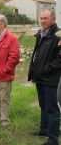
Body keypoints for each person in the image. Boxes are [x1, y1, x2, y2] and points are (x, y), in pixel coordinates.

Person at [28, 9, 61, 145]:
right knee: (43, 105)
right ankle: (44, 129)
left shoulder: (58, 35)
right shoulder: (41, 33)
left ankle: (53, 139)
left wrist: (46, 69)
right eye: (41, 18)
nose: (42, 21)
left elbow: (60, 59)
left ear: (53, 19)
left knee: (52, 108)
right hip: (39, 76)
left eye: (45, 18)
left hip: (50, 78)